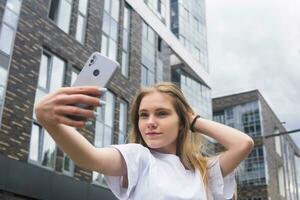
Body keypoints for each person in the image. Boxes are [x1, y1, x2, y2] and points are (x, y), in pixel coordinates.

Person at [35, 82, 254, 200]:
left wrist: (194, 120)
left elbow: (243, 144)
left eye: (161, 113)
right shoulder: (139, 157)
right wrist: (49, 119)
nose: (150, 122)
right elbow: (88, 157)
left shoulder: (203, 170)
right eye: (143, 115)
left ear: (181, 122)